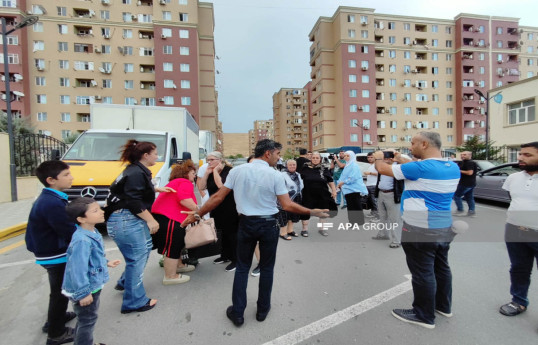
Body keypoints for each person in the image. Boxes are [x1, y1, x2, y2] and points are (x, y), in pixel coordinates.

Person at [180, 139, 328, 327]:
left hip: (246, 223)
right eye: (277, 154)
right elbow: (287, 205)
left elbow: (218, 196)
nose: (279, 157)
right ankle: (262, 310)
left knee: (242, 267)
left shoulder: (237, 171)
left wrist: (197, 214)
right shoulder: (275, 175)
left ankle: (238, 313)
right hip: (268, 225)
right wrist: (312, 211)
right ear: (268, 153)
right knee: (266, 268)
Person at [373, 132, 460, 329]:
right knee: (441, 268)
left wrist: (379, 156)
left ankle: (423, 315)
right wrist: (399, 157)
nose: (410, 147)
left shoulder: (419, 167)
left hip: (420, 228)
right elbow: (411, 164)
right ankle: (443, 306)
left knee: (422, 272)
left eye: (413, 143)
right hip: (443, 226)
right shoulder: (451, 166)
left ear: (424, 143)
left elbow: (381, 168)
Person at [106, 140, 173, 314]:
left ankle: (125, 282)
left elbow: (129, 191)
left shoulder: (135, 170)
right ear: (146, 155)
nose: (157, 157)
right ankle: (134, 301)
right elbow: (132, 200)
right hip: (127, 219)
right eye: (155, 153)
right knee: (137, 258)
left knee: (142, 252)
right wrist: (151, 220)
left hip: (125, 219)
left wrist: (157, 190)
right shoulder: (136, 172)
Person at [25, 160, 77, 345]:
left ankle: (56, 319)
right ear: (51, 180)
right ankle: (56, 333)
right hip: (55, 253)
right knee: (60, 293)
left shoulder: (52, 197)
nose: (71, 177)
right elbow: (68, 230)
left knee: (58, 291)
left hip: (50, 252)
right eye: (66, 175)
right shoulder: (51, 203)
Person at [62, 197, 121, 345]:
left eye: (99, 208)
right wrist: (83, 293)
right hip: (86, 289)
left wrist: (106, 262)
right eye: (95, 211)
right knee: (87, 320)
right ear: (81, 218)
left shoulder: (91, 231)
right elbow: (77, 269)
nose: (101, 212)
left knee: (86, 319)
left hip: (91, 285)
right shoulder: (82, 240)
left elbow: (91, 259)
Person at [498, 142, 538, 319]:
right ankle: (519, 301)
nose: (520, 157)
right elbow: (513, 201)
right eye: (521, 154)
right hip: (514, 230)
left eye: (527, 155)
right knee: (519, 269)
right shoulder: (512, 178)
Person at [151, 160, 198, 285]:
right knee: (173, 245)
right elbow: (184, 200)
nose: (194, 175)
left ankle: (179, 266)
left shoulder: (175, 182)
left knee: (176, 244)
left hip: (166, 217)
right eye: (193, 173)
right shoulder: (184, 182)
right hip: (170, 218)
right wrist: (200, 211)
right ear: (185, 173)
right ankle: (170, 276)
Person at [197, 151, 240, 272]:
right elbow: (201, 187)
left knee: (232, 234)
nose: (209, 162)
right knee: (221, 232)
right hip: (216, 207)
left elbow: (222, 187)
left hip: (229, 207)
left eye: (211, 160)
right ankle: (225, 255)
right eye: (208, 160)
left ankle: (236, 259)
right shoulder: (209, 171)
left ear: (219, 160)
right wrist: (206, 173)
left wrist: (215, 172)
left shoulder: (229, 171)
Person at [371, 151, 405, 248]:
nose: (383, 160)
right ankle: (383, 234)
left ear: (391, 158)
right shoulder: (382, 168)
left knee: (395, 219)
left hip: (392, 195)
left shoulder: (397, 168)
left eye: (384, 158)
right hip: (381, 193)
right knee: (383, 217)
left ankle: (396, 240)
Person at [300, 152, 337, 237]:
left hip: (322, 194)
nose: (315, 159)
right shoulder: (305, 168)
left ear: (320, 159)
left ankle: (322, 229)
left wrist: (334, 191)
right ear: (311, 158)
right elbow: (298, 179)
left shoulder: (324, 168)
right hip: (308, 194)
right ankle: (304, 229)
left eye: (317, 158)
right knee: (306, 211)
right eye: (314, 158)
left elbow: (330, 181)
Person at [336, 151, 367, 227]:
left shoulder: (354, 165)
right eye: (345, 155)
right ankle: (352, 222)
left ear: (352, 157)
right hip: (347, 189)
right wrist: (339, 183)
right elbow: (343, 176)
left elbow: (353, 177)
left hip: (354, 189)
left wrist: (343, 182)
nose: (346, 157)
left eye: (348, 156)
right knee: (350, 206)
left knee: (356, 205)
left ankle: (359, 221)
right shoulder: (347, 165)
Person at [277, 159, 304, 240]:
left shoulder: (298, 174)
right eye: (290, 165)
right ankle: (283, 233)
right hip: (285, 198)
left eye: (294, 165)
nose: (292, 166)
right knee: (284, 215)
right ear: (286, 166)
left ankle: (290, 230)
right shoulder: (282, 175)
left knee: (293, 215)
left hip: (297, 197)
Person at [453, 151, 478, 217]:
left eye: (464, 155)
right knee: (469, 197)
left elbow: (470, 173)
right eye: (461, 154)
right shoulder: (463, 162)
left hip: (465, 183)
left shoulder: (470, 163)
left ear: (470, 155)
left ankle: (460, 210)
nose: (462, 156)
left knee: (456, 196)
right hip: (470, 183)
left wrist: (458, 171)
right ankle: (471, 212)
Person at [294, 148, 312, 235]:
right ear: (306, 153)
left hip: (295, 186)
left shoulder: (295, 161)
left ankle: (290, 228)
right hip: (307, 186)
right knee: (305, 206)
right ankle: (304, 228)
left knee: (294, 205)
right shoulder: (308, 162)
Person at [364, 153, 380, 221]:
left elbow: (380, 173)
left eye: (371, 157)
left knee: (375, 201)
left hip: (374, 185)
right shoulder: (370, 165)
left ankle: (378, 216)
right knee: (371, 201)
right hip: (369, 185)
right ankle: (373, 213)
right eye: (368, 157)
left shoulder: (377, 165)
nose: (369, 158)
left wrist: (370, 173)